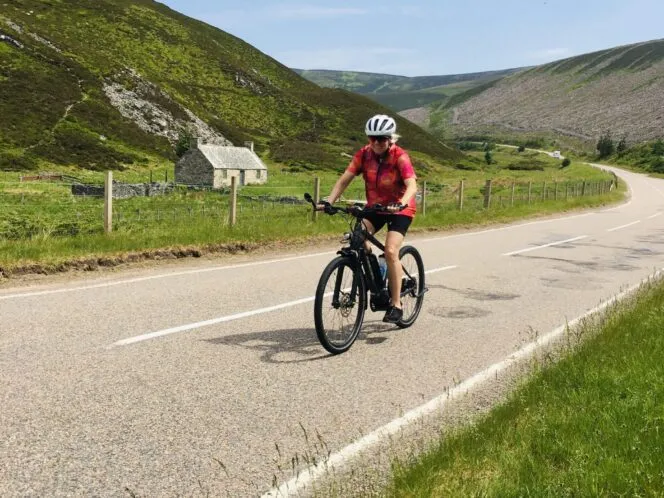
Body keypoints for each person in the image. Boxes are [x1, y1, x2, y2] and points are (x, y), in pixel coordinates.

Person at [318, 114, 418, 324]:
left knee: (391, 250)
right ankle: (378, 272)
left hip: (400, 209)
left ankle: (396, 304)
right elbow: (345, 179)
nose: (377, 143)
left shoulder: (400, 156)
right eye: (373, 138)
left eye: (382, 138)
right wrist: (329, 201)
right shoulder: (364, 154)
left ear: (391, 139)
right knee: (357, 238)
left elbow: (412, 185)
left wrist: (402, 202)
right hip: (376, 207)